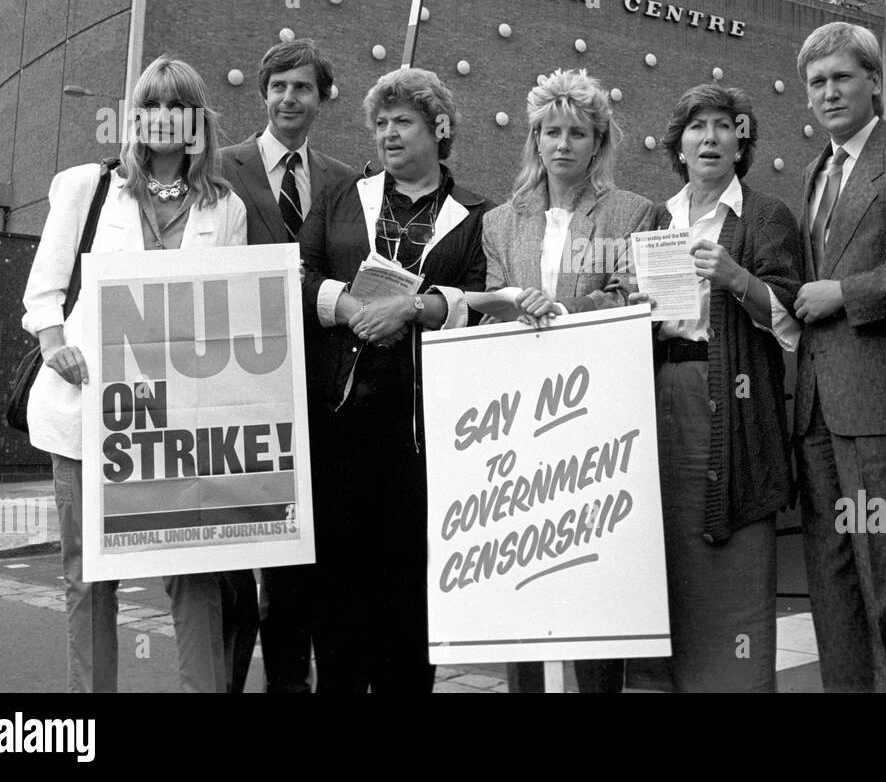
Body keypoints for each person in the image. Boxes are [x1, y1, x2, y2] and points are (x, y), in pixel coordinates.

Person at [23, 56, 249, 692]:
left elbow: (228, 310)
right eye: (149, 106)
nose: (161, 119)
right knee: (89, 576)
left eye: (175, 107)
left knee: (195, 574)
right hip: (91, 413)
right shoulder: (85, 187)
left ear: (195, 122)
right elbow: (43, 293)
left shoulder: (224, 207)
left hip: (182, 421)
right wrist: (54, 344)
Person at [299, 66, 491, 693]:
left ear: (440, 129)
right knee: (338, 583)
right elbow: (297, 276)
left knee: (411, 586)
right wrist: (350, 308)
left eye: (402, 121)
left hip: (423, 435)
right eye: (380, 123)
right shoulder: (340, 198)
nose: (387, 133)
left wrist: (417, 307)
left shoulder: (475, 217)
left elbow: (483, 298)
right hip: (339, 422)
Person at [482, 68, 653, 693]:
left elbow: (635, 298)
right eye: (550, 132)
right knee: (524, 568)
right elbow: (490, 302)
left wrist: (565, 312)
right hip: (519, 423)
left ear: (598, 142)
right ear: (534, 140)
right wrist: (508, 303)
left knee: (590, 573)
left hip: (595, 416)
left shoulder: (635, 212)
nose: (562, 144)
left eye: (577, 133)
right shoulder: (499, 221)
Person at [791, 22, 886, 692]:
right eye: (817, 82)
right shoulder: (814, 171)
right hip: (816, 405)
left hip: (881, 399)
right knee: (834, 575)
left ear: (875, 80)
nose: (828, 93)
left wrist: (845, 294)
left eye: (842, 77)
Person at [652, 83, 802, 692]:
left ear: (741, 144)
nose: (709, 138)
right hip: (666, 401)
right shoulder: (657, 218)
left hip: (735, 408)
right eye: (696, 127)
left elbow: (791, 318)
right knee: (671, 560)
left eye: (722, 126)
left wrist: (738, 278)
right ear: (679, 146)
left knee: (735, 554)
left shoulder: (766, 216)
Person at [221, 39, 354, 693]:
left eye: (302, 88)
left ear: (320, 98)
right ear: (263, 93)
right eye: (278, 86)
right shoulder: (220, 169)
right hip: (244, 391)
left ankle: (308, 681)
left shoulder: (343, 180)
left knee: (312, 559)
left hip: (321, 398)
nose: (288, 99)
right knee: (251, 560)